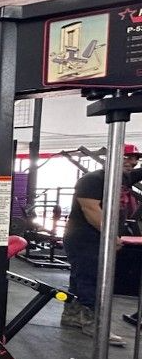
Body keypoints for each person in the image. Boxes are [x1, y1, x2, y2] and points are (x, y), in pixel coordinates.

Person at [61, 143, 142, 346]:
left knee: (79, 277)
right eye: (127, 158)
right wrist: (112, 236)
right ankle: (94, 325)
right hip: (83, 238)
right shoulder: (92, 180)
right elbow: (91, 211)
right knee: (92, 279)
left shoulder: (123, 178)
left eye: (135, 158)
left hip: (97, 236)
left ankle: (71, 316)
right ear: (112, 158)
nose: (132, 162)